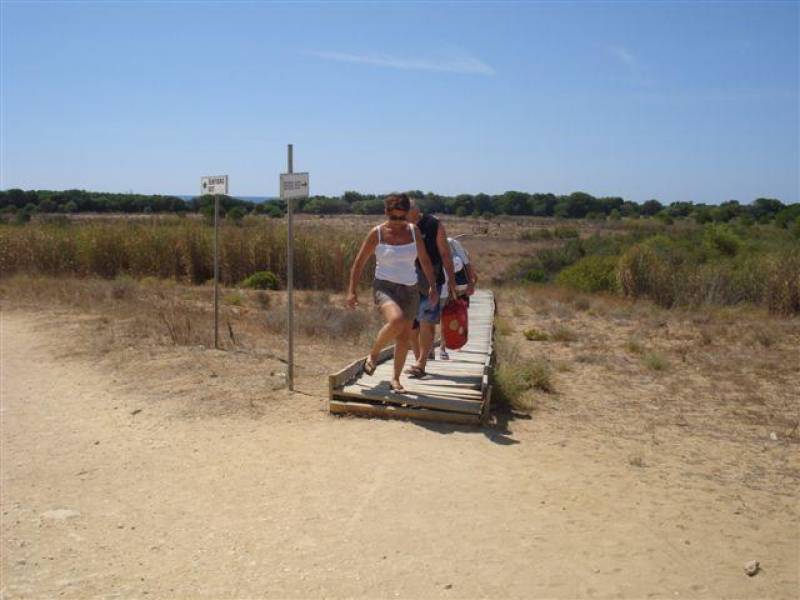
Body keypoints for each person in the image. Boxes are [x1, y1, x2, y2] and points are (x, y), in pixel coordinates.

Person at [347, 193, 438, 394]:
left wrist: (432, 285)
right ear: (386, 213)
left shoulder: (414, 232)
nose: (397, 222)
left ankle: (395, 379)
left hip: (410, 289)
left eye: (402, 217)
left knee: (404, 336)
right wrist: (352, 291)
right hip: (384, 287)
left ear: (408, 215)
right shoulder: (377, 233)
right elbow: (359, 263)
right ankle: (374, 354)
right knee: (396, 321)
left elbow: (424, 260)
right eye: (393, 217)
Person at [405, 199, 458, 378]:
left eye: (406, 210)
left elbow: (445, 253)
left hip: (431, 282)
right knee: (411, 326)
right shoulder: (400, 226)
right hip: (407, 282)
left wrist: (451, 279)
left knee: (426, 322)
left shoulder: (433, 224)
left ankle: (420, 364)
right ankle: (419, 358)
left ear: (416, 210)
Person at [439, 236, 478, 360]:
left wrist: (470, 284)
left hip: (453, 289)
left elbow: (468, 265)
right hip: (446, 287)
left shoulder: (452, 244)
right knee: (443, 318)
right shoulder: (450, 244)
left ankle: (443, 347)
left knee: (446, 317)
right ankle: (442, 347)